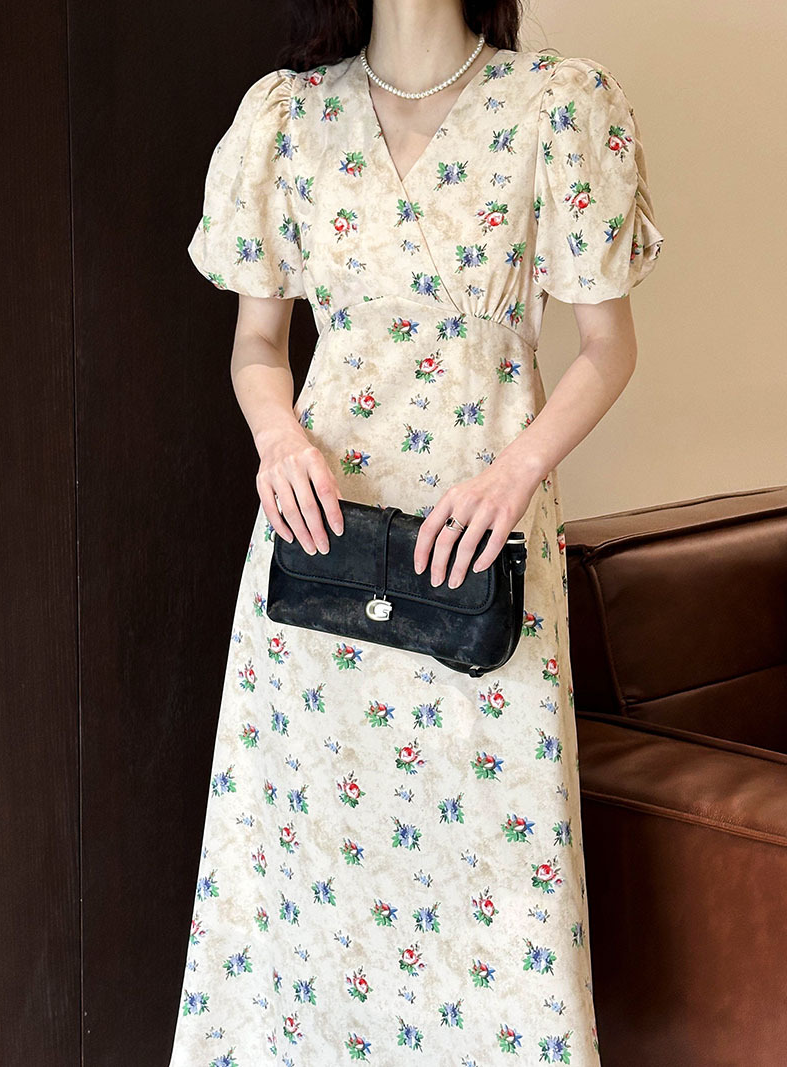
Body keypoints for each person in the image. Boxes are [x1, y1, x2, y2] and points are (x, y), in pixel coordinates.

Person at [168, 1, 664, 1063]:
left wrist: (516, 471)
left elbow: (607, 345)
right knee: (306, 872)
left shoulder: (558, 105)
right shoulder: (287, 116)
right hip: (320, 554)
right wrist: (277, 437)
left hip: (475, 549)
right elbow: (259, 341)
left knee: (491, 874)